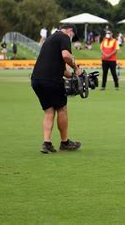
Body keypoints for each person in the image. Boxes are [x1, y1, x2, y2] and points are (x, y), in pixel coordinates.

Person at [30, 23, 82, 153]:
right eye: (72, 36)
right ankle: (65, 143)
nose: (71, 39)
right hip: (51, 80)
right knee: (62, 108)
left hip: (36, 80)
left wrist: (73, 75)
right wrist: (76, 68)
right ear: (70, 31)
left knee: (49, 111)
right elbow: (66, 56)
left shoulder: (50, 39)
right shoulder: (64, 36)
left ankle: (46, 143)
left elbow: (63, 70)